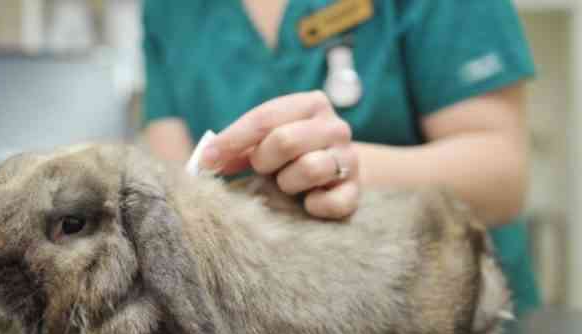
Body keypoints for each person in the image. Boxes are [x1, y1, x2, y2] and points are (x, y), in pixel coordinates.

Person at [140, 0, 540, 315]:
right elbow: (172, 184)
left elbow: (500, 176)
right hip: (263, 330)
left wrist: (344, 172)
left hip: (446, 313)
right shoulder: (168, 8)